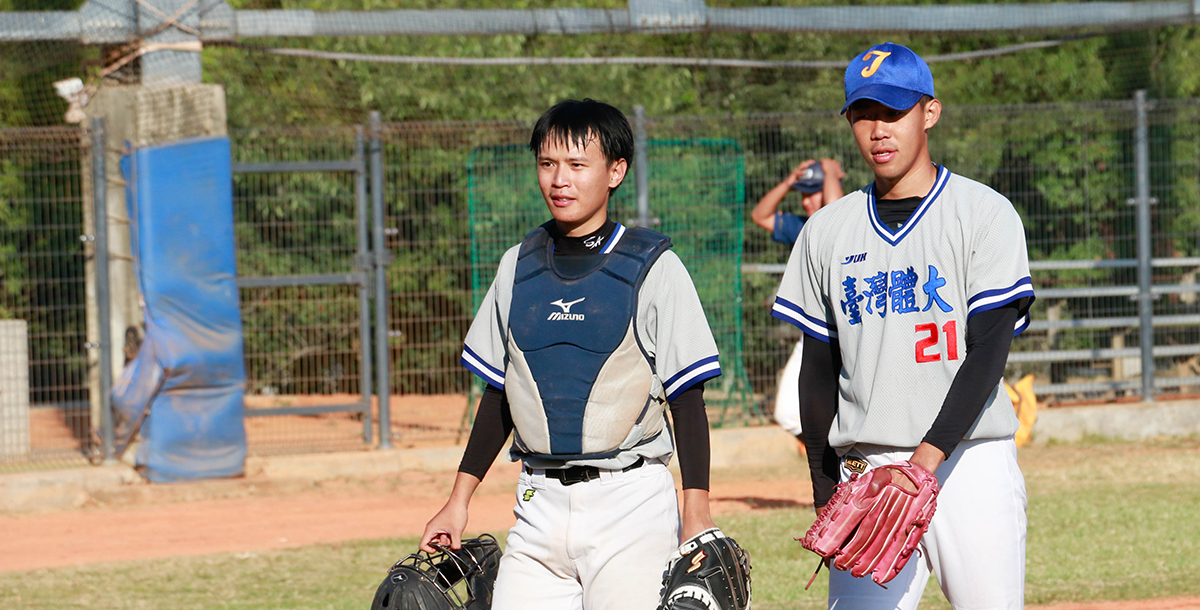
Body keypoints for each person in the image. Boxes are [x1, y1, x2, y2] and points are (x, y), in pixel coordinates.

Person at [420, 99, 723, 610]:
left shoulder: (654, 266)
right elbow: (500, 394)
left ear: (616, 172)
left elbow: (687, 401)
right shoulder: (517, 266)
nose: (560, 179)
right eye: (548, 163)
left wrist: (696, 511)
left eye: (578, 165)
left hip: (629, 503)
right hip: (537, 504)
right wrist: (458, 502)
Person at [772, 42, 1035, 608]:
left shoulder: (982, 213)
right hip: (867, 470)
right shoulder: (826, 231)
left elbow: (988, 352)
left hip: (967, 460)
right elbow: (818, 369)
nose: (878, 129)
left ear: (929, 112)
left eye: (893, 112)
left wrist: (925, 462)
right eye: (863, 114)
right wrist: (826, 491)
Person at [750, 158, 844, 450]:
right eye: (802, 194)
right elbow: (760, 215)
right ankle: (830, 460)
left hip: (852, 334)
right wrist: (789, 181)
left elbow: (836, 213)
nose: (806, 201)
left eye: (812, 192)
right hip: (813, 333)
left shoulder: (850, 220)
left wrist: (830, 173)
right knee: (786, 412)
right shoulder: (802, 228)